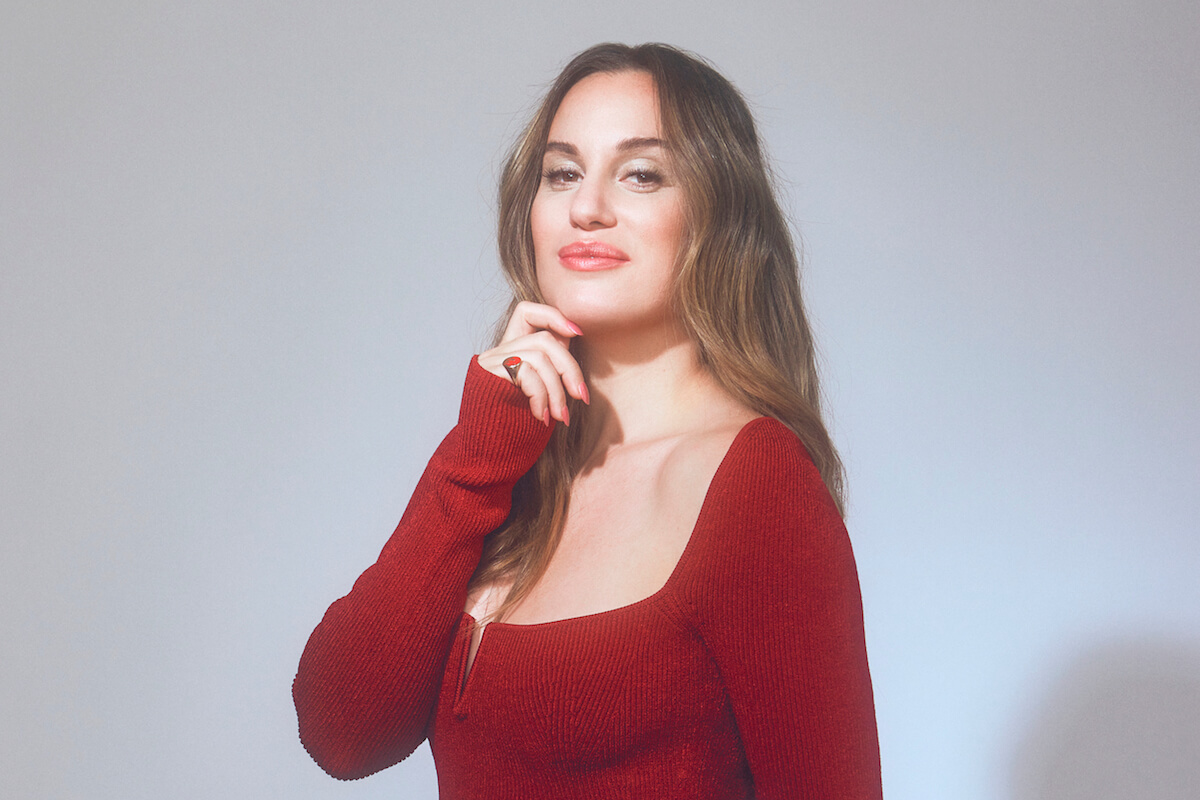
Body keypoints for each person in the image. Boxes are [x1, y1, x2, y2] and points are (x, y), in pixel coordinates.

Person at [293, 42, 883, 799]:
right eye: (562, 173)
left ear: (716, 215)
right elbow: (342, 733)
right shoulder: (503, 467)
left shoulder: (756, 482)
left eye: (641, 174)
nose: (587, 207)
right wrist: (476, 458)